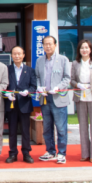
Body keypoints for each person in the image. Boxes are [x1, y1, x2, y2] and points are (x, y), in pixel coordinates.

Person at [35, 35, 71, 165]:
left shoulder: (63, 59)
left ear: (55, 45)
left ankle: (61, 153)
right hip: (45, 98)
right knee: (47, 127)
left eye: (50, 44)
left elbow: (67, 78)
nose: (48, 46)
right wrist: (39, 87)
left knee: (61, 127)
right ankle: (50, 151)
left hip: (58, 98)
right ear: (43, 46)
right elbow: (37, 77)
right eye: (45, 44)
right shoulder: (39, 61)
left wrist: (58, 87)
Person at [70, 40, 92, 163]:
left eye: (86, 47)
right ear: (79, 50)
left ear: (90, 49)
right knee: (83, 126)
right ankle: (85, 153)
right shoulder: (75, 64)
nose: (84, 50)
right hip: (81, 97)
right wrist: (78, 84)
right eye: (82, 48)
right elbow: (72, 80)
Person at [5, 45, 36, 164]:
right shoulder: (7, 69)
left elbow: (34, 86)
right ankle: (13, 153)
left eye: (19, 54)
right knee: (12, 130)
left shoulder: (30, 70)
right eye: (14, 54)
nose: (17, 56)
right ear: (11, 56)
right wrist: (7, 94)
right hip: (11, 104)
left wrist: (28, 91)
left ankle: (26, 153)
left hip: (24, 104)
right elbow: (4, 85)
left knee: (25, 130)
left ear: (23, 55)